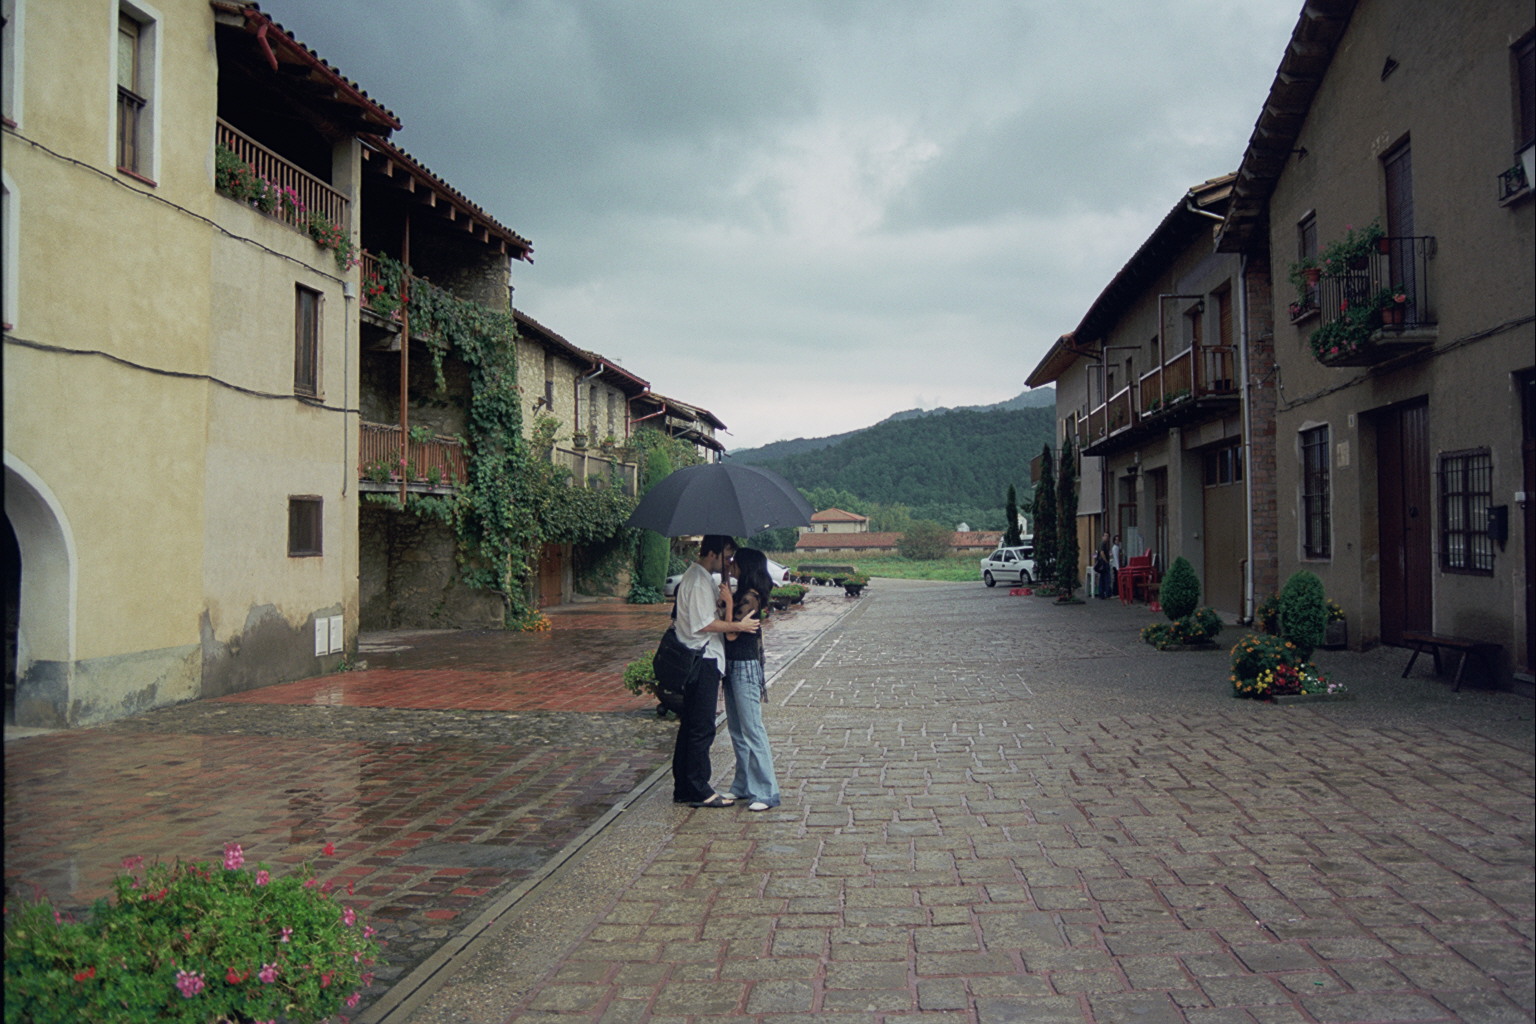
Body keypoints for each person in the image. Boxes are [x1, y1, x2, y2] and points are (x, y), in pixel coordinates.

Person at [672, 535, 758, 808]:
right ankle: (699, 788)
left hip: (703, 659)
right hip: (702, 660)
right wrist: (738, 627)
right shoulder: (697, 581)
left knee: (690, 727)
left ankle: (684, 786)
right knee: (701, 728)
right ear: (712, 553)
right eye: (726, 556)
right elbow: (704, 624)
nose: (729, 562)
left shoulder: (701, 579)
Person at [720, 548, 781, 812]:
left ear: (745, 566)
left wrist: (728, 604)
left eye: (734, 562)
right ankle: (743, 785)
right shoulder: (741, 594)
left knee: (752, 729)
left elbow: (732, 635)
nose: (731, 565)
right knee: (736, 729)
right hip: (732, 665)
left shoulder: (750, 597)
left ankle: (766, 791)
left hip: (745, 665)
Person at [1095, 532, 1112, 598]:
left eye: (1107, 536)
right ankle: (1107, 593)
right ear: (1102, 537)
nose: (1106, 537)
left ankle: (1102, 593)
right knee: (1106, 578)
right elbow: (1102, 553)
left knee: (1102, 578)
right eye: (1105, 536)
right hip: (1104, 563)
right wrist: (1106, 561)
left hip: (1102, 563)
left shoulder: (1104, 544)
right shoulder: (1103, 544)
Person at [1109, 534, 1123, 600]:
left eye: (1118, 540)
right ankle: (1115, 592)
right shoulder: (1115, 548)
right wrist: (1118, 568)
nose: (1117, 541)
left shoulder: (1116, 547)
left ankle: (1116, 592)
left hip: (1116, 566)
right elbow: (1116, 558)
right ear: (1114, 541)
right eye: (1116, 540)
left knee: (1116, 579)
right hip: (1116, 566)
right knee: (1116, 580)